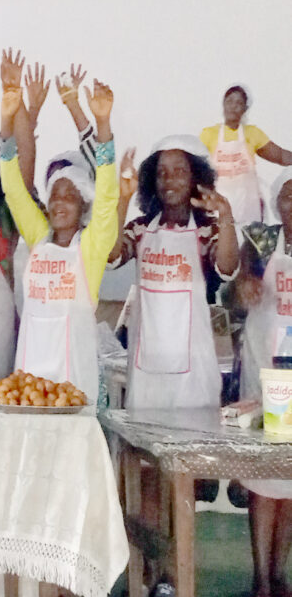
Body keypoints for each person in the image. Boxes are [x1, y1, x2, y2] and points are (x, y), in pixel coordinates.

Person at [0, 70, 119, 401]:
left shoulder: (91, 246)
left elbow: (108, 198)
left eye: (69, 196)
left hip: (72, 376)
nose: (59, 202)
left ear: (83, 206)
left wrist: (103, 125)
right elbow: (12, 189)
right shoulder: (39, 236)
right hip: (30, 371)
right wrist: (6, 124)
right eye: (55, 195)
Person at [108, 135, 239, 409]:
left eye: (180, 172)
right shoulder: (141, 228)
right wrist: (122, 199)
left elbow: (227, 268)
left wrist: (226, 217)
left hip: (194, 369)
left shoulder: (208, 230)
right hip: (146, 371)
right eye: (161, 173)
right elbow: (112, 256)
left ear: (196, 178)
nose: (170, 180)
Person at [235, 167, 292, 597]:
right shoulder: (261, 241)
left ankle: (279, 574)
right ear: (277, 203)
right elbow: (235, 292)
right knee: (263, 480)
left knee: (290, 484)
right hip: (267, 374)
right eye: (287, 195)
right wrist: (245, 287)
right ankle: (258, 578)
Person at [200, 85, 292, 229]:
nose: (233, 107)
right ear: (223, 105)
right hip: (218, 207)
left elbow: (281, 156)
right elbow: (196, 165)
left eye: (239, 103)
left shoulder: (253, 133)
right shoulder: (209, 134)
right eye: (230, 101)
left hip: (249, 207)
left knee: (249, 245)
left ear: (245, 109)